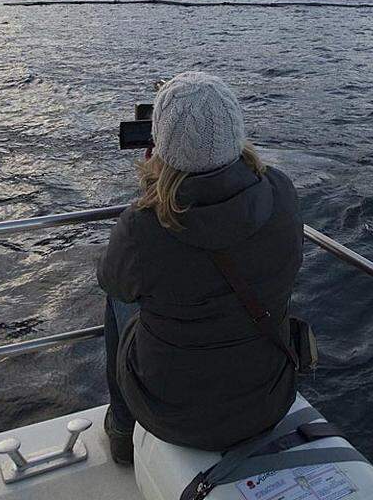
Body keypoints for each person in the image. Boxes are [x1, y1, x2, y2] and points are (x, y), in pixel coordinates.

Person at [97, 71, 304, 464]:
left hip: (172, 414)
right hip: (268, 399)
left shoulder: (144, 226)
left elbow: (112, 280)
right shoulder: (281, 192)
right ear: (236, 132)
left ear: (159, 147)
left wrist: (153, 189)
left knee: (118, 298)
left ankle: (122, 429)